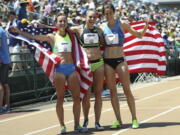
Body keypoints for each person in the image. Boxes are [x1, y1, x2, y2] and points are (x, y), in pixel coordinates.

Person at [9, 14, 88, 134]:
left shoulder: (71, 34)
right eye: (60, 21)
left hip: (71, 69)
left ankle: (77, 125)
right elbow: (33, 37)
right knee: (60, 98)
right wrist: (19, 31)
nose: (62, 23)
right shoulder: (52, 37)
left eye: (64, 21)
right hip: (60, 70)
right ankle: (62, 126)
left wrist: (47, 25)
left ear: (67, 23)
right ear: (56, 23)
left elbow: (80, 28)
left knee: (76, 98)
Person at [100, 3, 149, 129]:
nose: (108, 15)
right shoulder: (101, 27)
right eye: (106, 13)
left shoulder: (121, 24)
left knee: (127, 90)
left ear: (114, 12)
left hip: (120, 60)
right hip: (107, 62)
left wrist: (146, 25)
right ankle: (118, 120)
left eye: (110, 12)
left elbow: (139, 35)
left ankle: (134, 119)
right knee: (112, 92)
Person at [71, 9, 105, 130]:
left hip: (98, 64)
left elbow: (103, 44)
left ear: (96, 19)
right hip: (86, 65)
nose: (92, 19)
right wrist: (43, 25)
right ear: (85, 17)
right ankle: (85, 120)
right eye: (90, 17)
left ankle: (97, 122)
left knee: (98, 94)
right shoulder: (78, 29)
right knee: (86, 95)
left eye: (94, 17)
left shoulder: (100, 31)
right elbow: (62, 28)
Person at [0, 25, 11, 114]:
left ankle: (1, 107)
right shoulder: (2, 30)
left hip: (1, 61)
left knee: (1, 85)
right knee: (5, 84)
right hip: (5, 60)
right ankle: (7, 106)